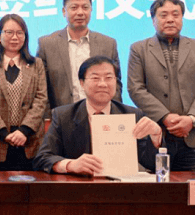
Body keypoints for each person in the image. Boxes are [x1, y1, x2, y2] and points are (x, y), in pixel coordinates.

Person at [127, 0, 195, 172]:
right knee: (155, 187)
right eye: (163, 15)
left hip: (192, 137)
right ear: (153, 20)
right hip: (155, 136)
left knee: (191, 186)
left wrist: (191, 120)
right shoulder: (139, 49)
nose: (170, 19)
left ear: (182, 18)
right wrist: (165, 117)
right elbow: (136, 89)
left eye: (176, 15)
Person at [33, 56, 162, 175]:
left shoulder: (132, 115)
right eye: (95, 78)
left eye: (109, 78)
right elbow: (43, 158)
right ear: (82, 83)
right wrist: (70, 165)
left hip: (120, 187)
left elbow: (152, 164)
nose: (102, 84)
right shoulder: (63, 116)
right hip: (78, 186)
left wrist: (156, 138)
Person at [0, 14, 48, 171]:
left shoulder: (36, 64)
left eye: (20, 33)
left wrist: (24, 131)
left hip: (30, 140)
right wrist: (3, 133)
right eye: (9, 32)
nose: (15, 37)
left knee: (29, 184)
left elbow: (41, 99)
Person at [37, 0, 122, 113]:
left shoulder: (108, 44)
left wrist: (114, 115)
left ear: (91, 10)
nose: (80, 12)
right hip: (61, 116)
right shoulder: (47, 44)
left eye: (85, 7)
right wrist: (47, 117)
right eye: (74, 7)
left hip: (101, 116)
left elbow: (116, 85)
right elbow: (41, 87)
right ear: (64, 11)